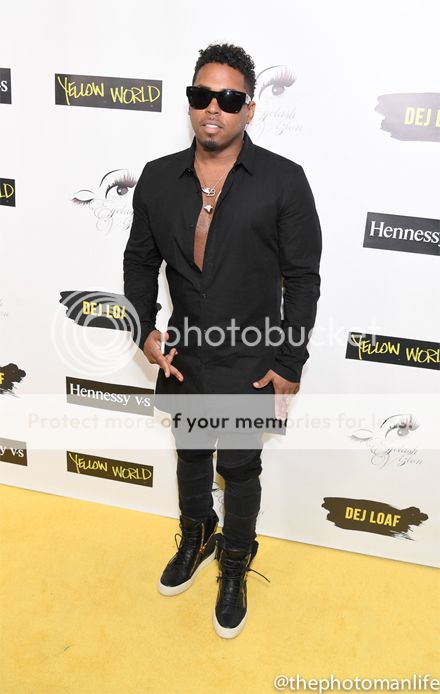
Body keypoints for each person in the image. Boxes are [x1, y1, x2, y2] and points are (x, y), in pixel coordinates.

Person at [123, 43, 322, 639]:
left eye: (229, 98)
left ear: (249, 109)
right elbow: (139, 261)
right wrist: (144, 328)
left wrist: (290, 360)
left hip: (251, 354)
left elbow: (302, 278)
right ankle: (197, 536)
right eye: (202, 95)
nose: (214, 108)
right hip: (185, 350)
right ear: (189, 103)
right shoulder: (158, 177)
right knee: (190, 454)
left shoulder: (283, 180)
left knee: (238, 465)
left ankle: (235, 562)